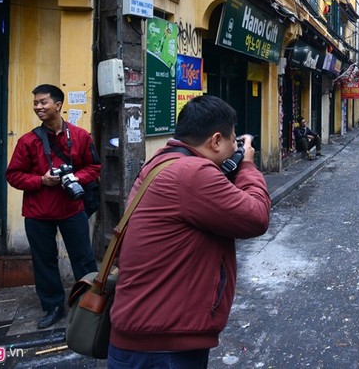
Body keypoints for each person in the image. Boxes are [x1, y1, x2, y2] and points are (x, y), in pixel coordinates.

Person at [108, 95, 271, 368]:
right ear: (216, 140)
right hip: (163, 345)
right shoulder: (192, 173)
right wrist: (247, 166)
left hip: (146, 331)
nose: (235, 146)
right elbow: (256, 217)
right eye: (233, 140)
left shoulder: (162, 161)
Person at [5, 84, 100, 329]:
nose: (38, 107)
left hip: (72, 209)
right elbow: (13, 174)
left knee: (84, 259)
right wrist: (41, 180)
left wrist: (77, 178)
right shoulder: (28, 141)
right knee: (44, 261)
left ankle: (87, 302)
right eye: (35, 103)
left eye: (43, 102)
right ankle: (53, 306)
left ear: (58, 105)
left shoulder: (80, 137)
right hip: (38, 212)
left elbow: (94, 167)